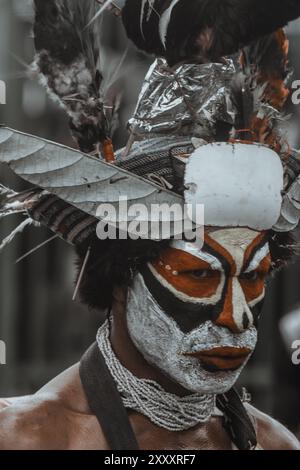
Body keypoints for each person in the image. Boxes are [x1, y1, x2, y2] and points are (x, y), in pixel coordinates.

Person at [0, 0, 300, 450]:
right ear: (121, 276)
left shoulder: (274, 444)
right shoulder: (22, 438)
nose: (236, 317)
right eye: (199, 274)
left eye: (253, 275)